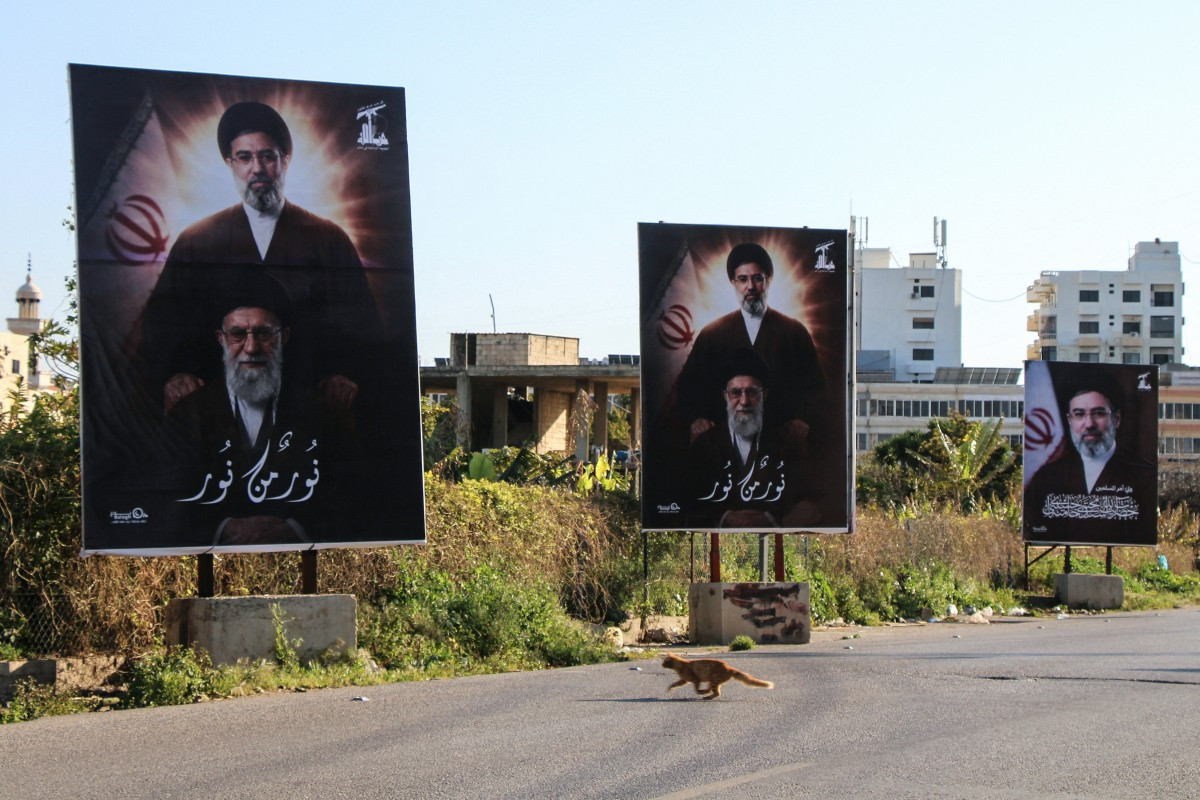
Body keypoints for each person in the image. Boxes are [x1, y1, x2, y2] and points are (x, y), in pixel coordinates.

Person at [139, 100, 382, 416]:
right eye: (244, 157)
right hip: (217, 415)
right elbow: (162, 325)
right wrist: (175, 374)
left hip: (310, 412)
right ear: (230, 163)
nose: (256, 168)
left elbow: (363, 327)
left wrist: (346, 375)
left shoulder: (328, 240)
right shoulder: (196, 242)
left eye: (267, 156)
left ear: (285, 161)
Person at [166, 273, 354, 546]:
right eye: (238, 334)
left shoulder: (321, 412)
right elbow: (166, 499)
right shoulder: (188, 413)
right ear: (221, 339)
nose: (251, 347)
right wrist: (221, 529)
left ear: (283, 337)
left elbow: (347, 498)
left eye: (264, 333)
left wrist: (294, 530)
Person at [674, 242, 824, 448]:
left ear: (769, 280)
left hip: (780, 448)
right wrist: (697, 418)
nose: (750, 286)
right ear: (733, 283)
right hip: (723, 449)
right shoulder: (712, 335)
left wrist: (803, 420)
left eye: (757, 278)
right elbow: (689, 389)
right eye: (743, 279)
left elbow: (816, 391)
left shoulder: (794, 333)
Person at [687, 348, 820, 529]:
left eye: (752, 392)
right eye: (736, 392)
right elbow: (688, 503)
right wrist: (724, 518)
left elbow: (810, 504)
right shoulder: (705, 444)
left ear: (764, 394)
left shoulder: (787, 444)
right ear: (726, 396)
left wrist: (771, 521)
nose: (744, 401)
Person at [1024, 379, 1157, 545]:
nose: (1089, 424)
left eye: (1099, 413)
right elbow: (1033, 527)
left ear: (1117, 419)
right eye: (1079, 414)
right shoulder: (1046, 477)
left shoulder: (1144, 476)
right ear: (1069, 420)